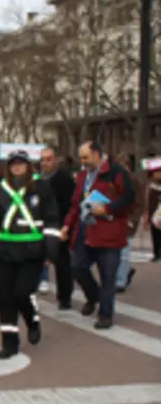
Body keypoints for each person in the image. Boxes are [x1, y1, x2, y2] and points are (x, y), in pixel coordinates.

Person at [0, 150, 61, 359]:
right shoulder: (0, 192)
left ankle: (32, 319)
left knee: (22, 292)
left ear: (29, 166)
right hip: (4, 252)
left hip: (31, 251)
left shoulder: (41, 188)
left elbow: (52, 219)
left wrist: (51, 247)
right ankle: (9, 342)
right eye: (13, 165)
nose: (17, 168)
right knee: (4, 298)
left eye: (21, 164)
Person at [62, 141, 135, 329]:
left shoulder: (117, 172)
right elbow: (75, 203)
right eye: (81, 158)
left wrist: (108, 208)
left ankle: (105, 314)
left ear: (97, 154)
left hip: (109, 232)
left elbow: (129, 198)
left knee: (108, 275)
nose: (83, 161)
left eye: (86, 157)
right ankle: (93, 296)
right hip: (85, 230)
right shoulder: (82, 175)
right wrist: (67, 226)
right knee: (77, 267)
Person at [39, 147, 76, 309]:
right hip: (41, 226)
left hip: (59, 225)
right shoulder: (39, 180)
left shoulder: (64, 180)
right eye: (43, 160)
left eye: (48, 159)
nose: (45, 163)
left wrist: (65, 227)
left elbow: (69, 205)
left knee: (62, 263)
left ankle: (65, 296)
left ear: (55, 160)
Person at [115, 153, 143, 292]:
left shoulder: (131, 180)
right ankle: (124, 273)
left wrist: (132, 219)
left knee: (124, 252)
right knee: (117, 252)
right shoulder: (114, 180)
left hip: (127, 220)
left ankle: (120, 281)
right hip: (117, 219)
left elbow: (139, 202)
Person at [145, 167, 161, 261]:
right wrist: (146, 214)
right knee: (154, 234)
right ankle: (156, 253)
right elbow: (147, 201)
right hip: (154, 213)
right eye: (155, 173)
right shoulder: (151, 186)